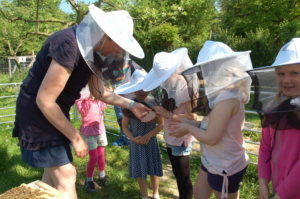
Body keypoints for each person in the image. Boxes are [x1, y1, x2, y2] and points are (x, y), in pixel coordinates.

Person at [12, 4, 150, 199]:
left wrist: (132, 105)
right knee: (67, 175)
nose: (119, 50)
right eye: (118, 43)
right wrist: (76, 138)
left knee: (51, 177)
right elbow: (45, 100)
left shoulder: (94, 52)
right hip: (38, 112)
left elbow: (99, 93)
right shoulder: (68, 44)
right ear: (104, 35)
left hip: (55, 111)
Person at [168, 41, 252, 199]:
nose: (209, 74)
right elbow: (212, 125)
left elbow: (212, 138)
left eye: (213, 69)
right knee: (200, 193)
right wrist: (189, 123)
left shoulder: (227, 99)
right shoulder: (222, 95)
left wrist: (188, 129)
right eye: (208, 70)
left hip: (225, 165)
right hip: (213, 161)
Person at [141, 48, 199, 199]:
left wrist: (169, 115)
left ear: (175, 70)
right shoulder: (168, 85)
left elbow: (193, 116)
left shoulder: (185, 86)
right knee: (177, 174)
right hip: (170, 135)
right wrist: (154, 113)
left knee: (183, 177)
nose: (163, 79)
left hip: (181, 136)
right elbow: (165, 108)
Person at [246, 38, 300, 199]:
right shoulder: (273, 108)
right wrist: (263, 182)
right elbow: (265, 148)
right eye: (281, 73)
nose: (286, 80)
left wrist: (281, 195)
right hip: (278, 189)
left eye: (295, 73)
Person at [114, 69, 164, 199]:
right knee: (141, 170)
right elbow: (124, 127)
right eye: (138, 88)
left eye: (145, 88)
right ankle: (144, 196)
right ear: (133, 89)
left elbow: (161, 124)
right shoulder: (129, 106)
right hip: (136, 143)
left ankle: (156, 193)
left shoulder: (154, 104)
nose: (142, 92)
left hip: (151, 141)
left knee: (153, 168)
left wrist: (149, 135)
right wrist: (132, 139)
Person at [75, 87, 109, 194]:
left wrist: (104, 95)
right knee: (93, 157)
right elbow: (83, 111)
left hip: (100, 129)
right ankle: (89, 180)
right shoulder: (81, 100)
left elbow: (103, 105)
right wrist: (90, 97)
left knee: (101, 155)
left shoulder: (98, 99)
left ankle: (102, 176)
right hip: (89, 132)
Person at [111, 53, 145, 147]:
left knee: (129, 118)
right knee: (120, 118)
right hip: (116, 97)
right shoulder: (111, 64)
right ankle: (123, 137)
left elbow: (143, 73)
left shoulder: (131, 63)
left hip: (129, 98)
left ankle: (131, 138)